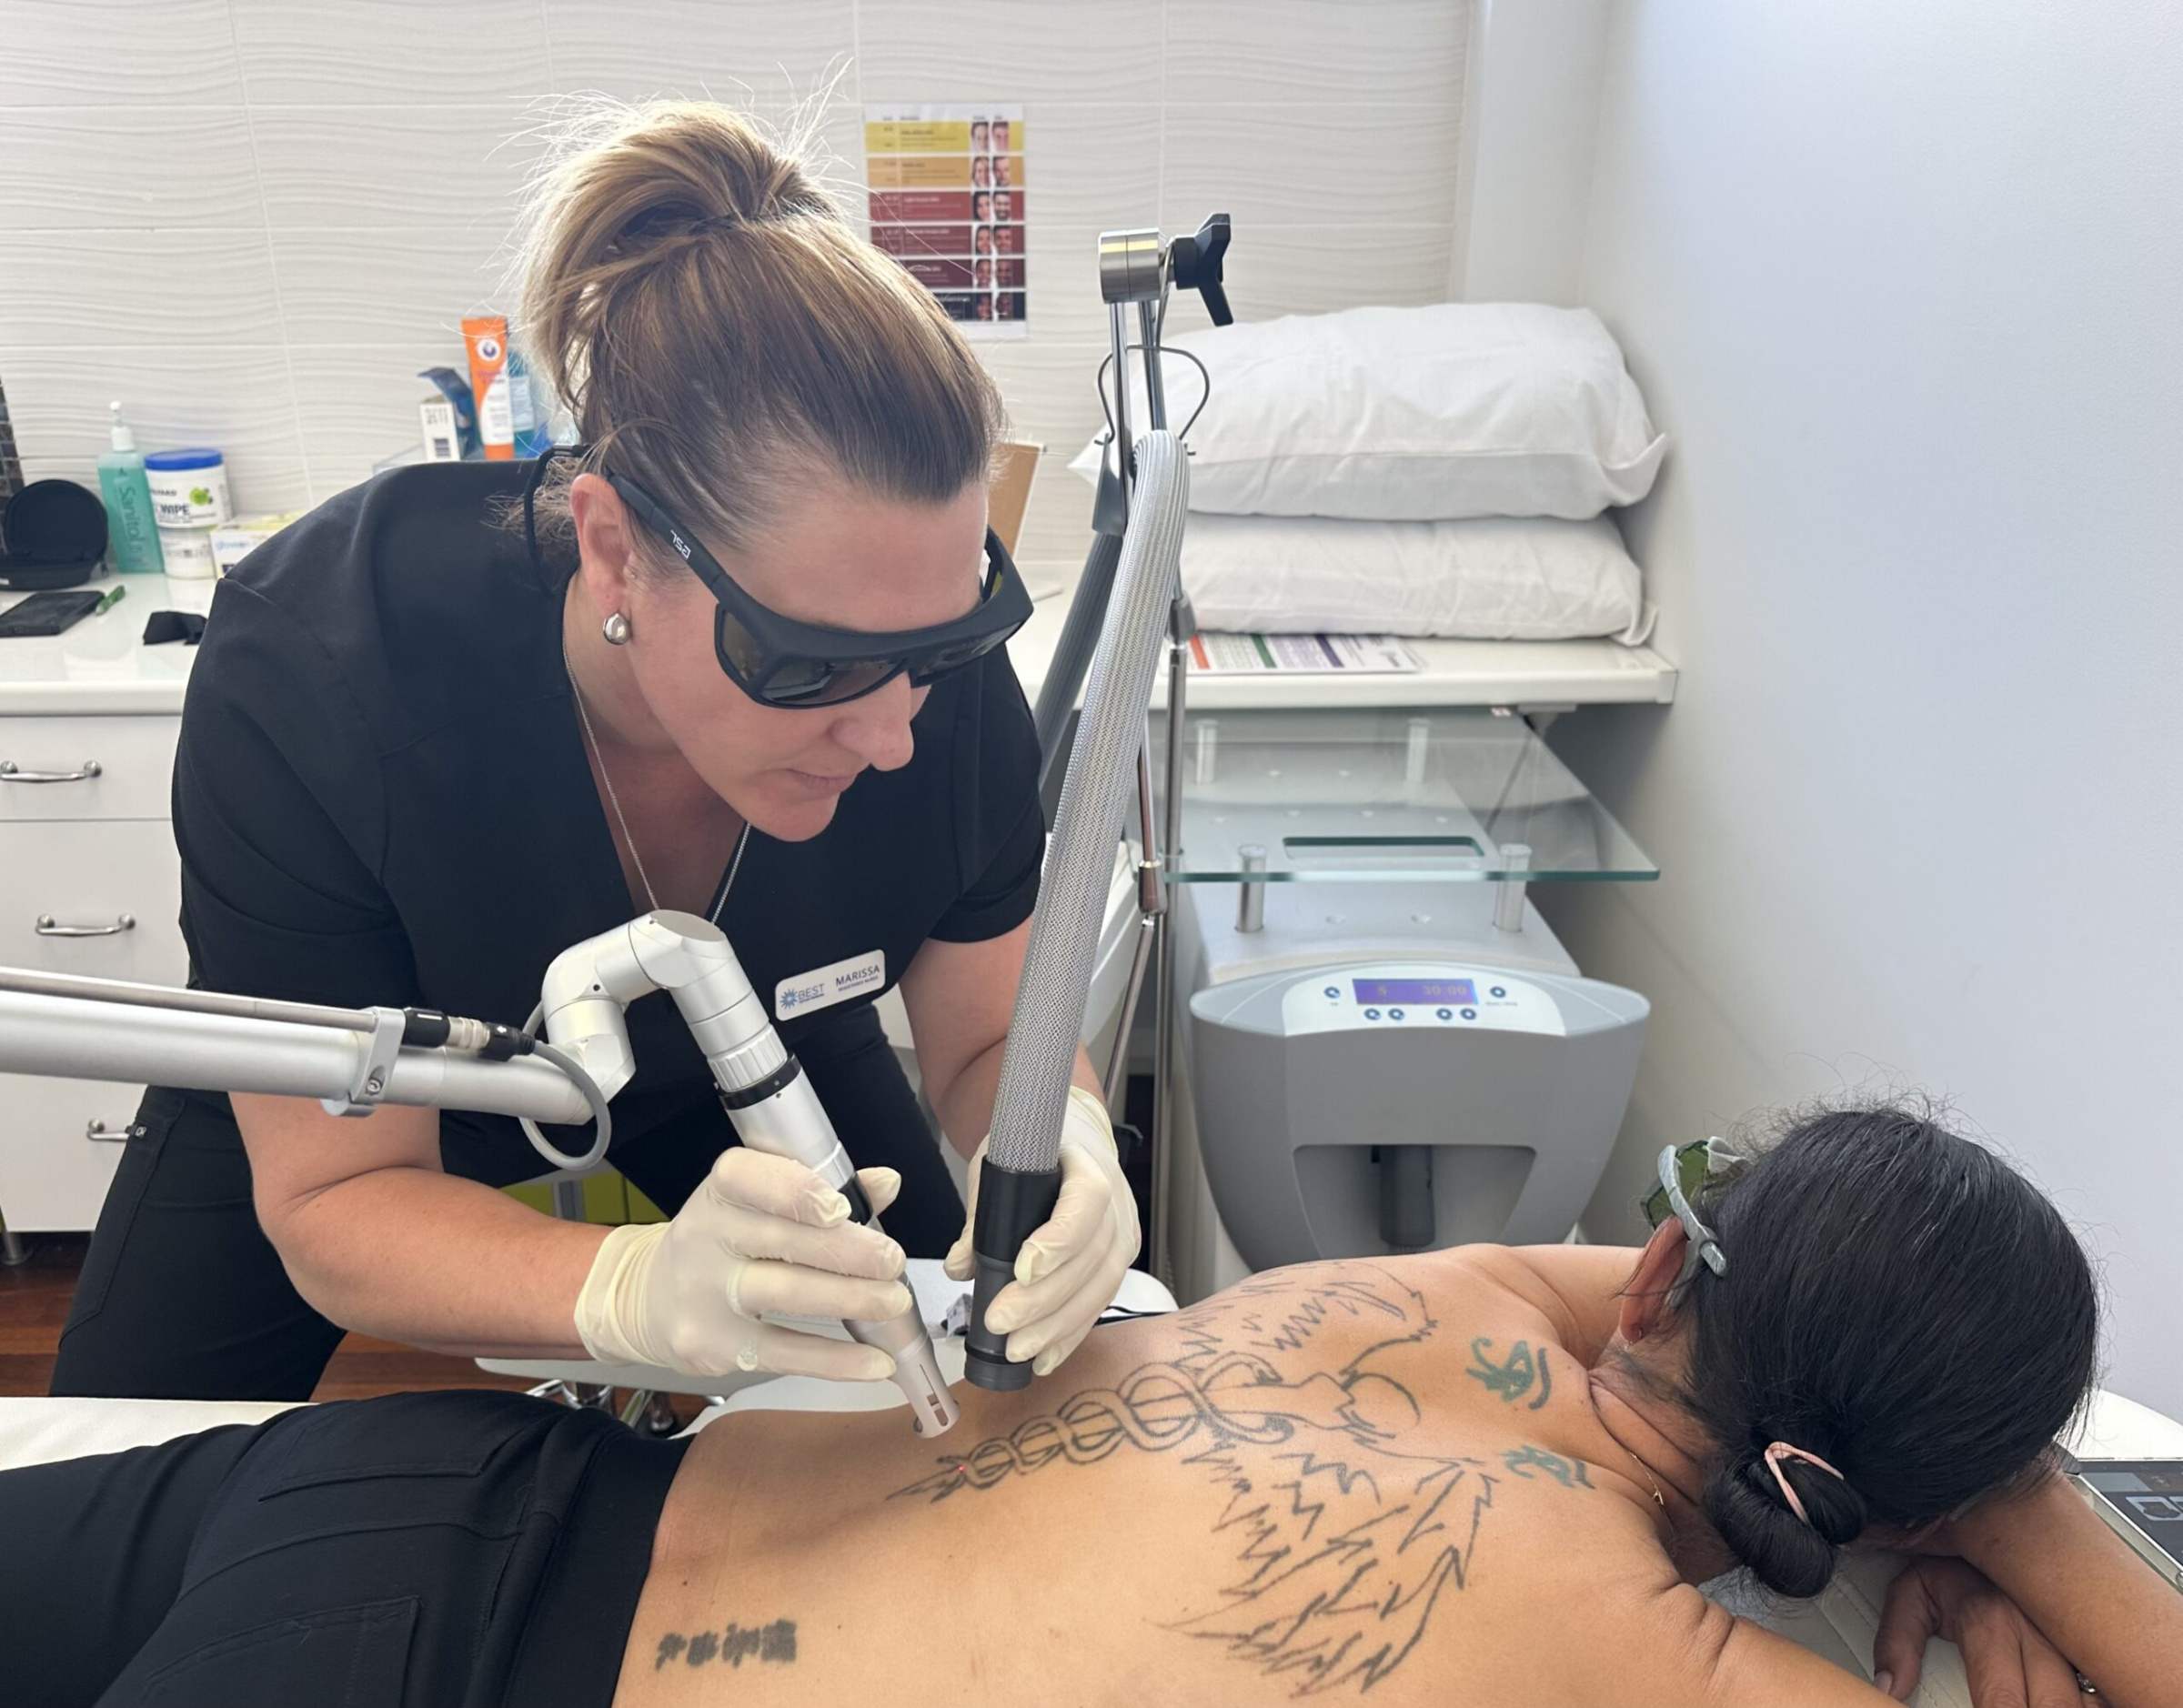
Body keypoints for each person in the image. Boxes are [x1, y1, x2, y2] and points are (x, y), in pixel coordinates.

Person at [49, 100, 1139, 1404]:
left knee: (925, 1429)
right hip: (362, 1111)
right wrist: (629, 1288)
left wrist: (1065, 1141)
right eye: (810, 665)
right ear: (616, 547)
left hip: (762, 1063)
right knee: (100, 1505)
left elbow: (987, 1037)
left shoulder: (922, 672)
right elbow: (343, 1190)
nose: (894, 733)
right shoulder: (323, 673)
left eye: (937, 650)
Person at [10, 1103, 2177, 1706]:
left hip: (446, 1481)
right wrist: (2015, 1514)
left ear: (1670, 1268)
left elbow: (1721, 1315)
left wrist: (1960, 1469)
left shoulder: (1480, 1308)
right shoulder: (1635, 1654)